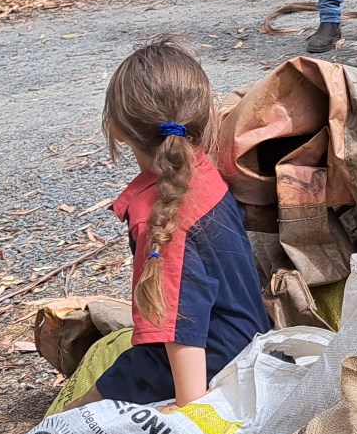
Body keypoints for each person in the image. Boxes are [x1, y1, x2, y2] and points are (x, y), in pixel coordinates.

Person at [82, 40, 270, 408]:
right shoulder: (202, 168)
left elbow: (183, 322)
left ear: (117, 128)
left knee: (75, 414)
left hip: (212, 359)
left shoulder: (158, 221)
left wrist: (188, 406)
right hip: (246, 335)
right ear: (202, 121)